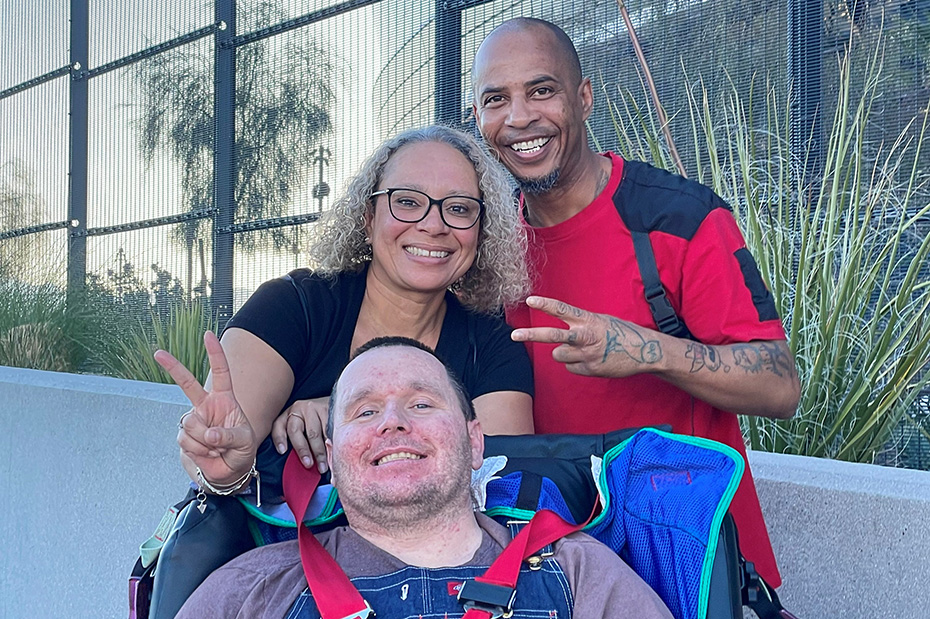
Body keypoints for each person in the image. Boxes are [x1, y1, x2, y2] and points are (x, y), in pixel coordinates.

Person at [149, 126, 535, 619]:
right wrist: (227, 467)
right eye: (408, 201)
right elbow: (225, 452)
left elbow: (498, 487)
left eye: (459, 208)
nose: (434, 225)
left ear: (482, 231)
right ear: (368, 214)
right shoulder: (294, 307)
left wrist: (348, 412)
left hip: (439, 589)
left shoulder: (493, 345)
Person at [470, 17, 801, 588]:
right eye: (497, 99)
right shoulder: (481, 246)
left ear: (583, 98)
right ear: (479, 118)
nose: (519, 117)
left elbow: (779, 386)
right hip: (562, 574)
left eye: (542, 90)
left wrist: (648, 350)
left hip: (694, 567)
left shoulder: (678, 219)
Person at [169, 336, 674, 619]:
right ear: (332, 456)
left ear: (475, 441)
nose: (393, 421)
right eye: (364, 412)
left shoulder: (580, 572)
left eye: (422, 403)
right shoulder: (252, 588)